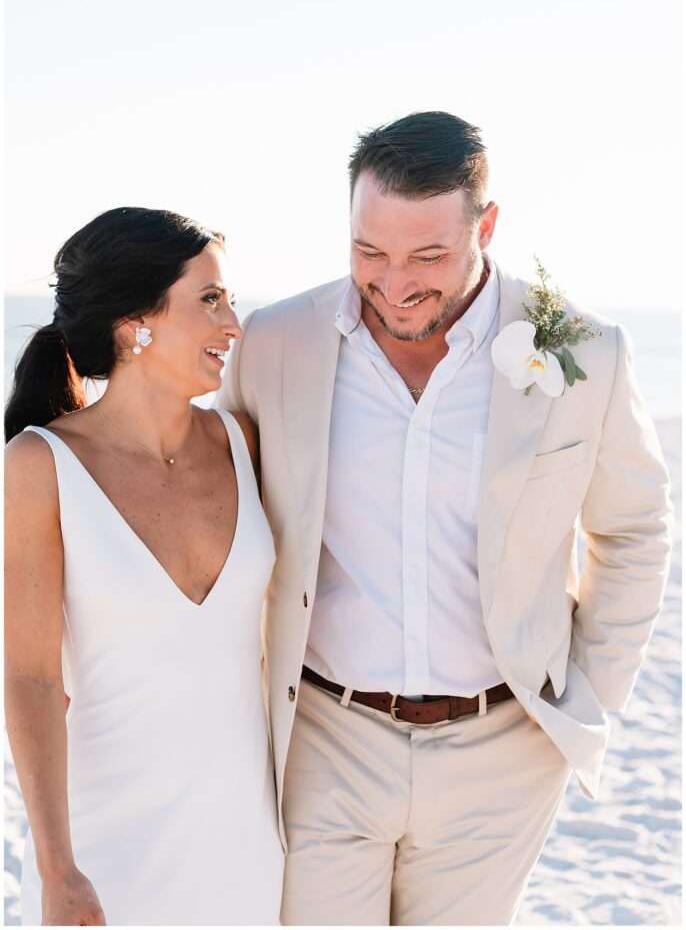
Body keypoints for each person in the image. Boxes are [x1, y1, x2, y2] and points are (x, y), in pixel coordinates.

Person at [216, 111, 673, 925]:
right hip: (324, 737)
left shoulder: (587, 353)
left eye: (428, 255)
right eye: (369, 252)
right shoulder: (275, 341)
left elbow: (633, 531)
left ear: (486, 225)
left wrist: (588, 695)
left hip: (502, 752)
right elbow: (220, 518)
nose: (394, 284)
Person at [5, 207, 284, 926]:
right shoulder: (40, 466)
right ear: (137, 324)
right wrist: (57, 868)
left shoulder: (240, 441)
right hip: (110, 851)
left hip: (246, 842)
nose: (234, 325)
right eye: (210, 300)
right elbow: (31, 679)